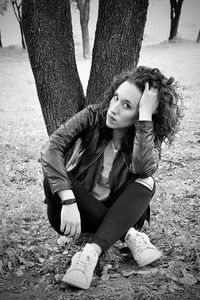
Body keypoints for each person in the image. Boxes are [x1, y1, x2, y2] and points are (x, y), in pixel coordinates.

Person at [41, 66, 182, 289]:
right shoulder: (93, 116)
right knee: (55, 175)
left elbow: (144, 169)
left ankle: (89, 255)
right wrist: (67, 199)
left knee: (148, 181)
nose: (113, 109)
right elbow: (51, 148)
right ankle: (128, 235)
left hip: (123, 211)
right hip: (76, 214)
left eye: (127, 106)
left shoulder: (145, 136)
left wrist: (144, 116)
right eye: (117, 97)